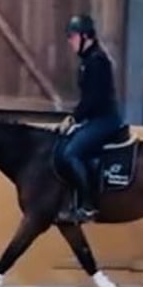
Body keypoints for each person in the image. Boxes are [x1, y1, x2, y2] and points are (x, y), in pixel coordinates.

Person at [56, 13, 124, 223]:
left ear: (86, 36)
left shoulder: (97, 61)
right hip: (94, 120)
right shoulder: (88, 61)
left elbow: (94, 99)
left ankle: (88, 205)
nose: (70, 41)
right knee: (62, 147)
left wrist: (73, 119)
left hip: (105, 120)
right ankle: (73, 201)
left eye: (72, 36)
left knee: (71, 153)